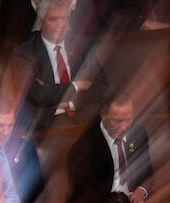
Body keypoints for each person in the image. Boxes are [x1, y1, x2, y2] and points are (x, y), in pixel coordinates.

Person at [9, 0, 102, 129]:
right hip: (47, 126)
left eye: (64, 19)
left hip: (86, 119)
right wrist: (77, 86)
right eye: (53, 19)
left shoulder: (83, 44)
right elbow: (37, 95)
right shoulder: (25, 53)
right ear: (40, 22)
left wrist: (67, 104)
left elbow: (101, 87)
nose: (60, 25)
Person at [66, 92, 153, 203]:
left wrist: (140, 192)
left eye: (129, 120)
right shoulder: (84, 146)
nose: (124, 127)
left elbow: (147, 171)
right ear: (103, 115)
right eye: (118, 121)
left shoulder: (139, 134)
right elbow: (88, 195)